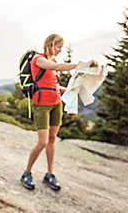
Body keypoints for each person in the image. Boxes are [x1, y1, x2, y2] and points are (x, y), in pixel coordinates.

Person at [20, 34, 98, 191]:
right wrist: (83, 65)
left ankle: (49, 174)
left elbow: (53, 85)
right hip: (41, 104)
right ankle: (26, 172)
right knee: (42, 142)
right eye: (58, 47)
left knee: (52, 140)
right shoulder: (39, 59)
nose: (60, 50)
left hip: (56, 103)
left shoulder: (52, 61)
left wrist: (74, 91)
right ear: (50, 45)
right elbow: (57, 68)